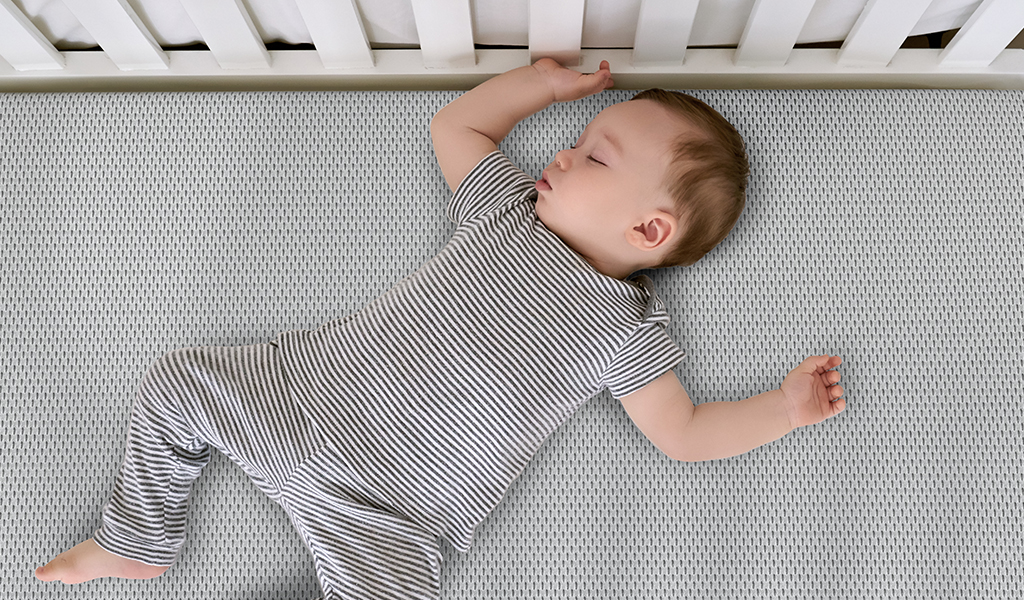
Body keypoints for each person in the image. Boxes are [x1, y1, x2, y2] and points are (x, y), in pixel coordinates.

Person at [35, 58, 846, 599]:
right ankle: (137, 536)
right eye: (575, 141)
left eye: (594, 158)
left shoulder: (624, 330)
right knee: (178, 382)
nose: (560, 155)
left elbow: (686, 430)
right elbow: (457, 127)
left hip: (392, 514)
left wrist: (780, 409)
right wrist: (540, 85)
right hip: (293, 402)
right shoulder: (505, 213)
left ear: (649, 232)